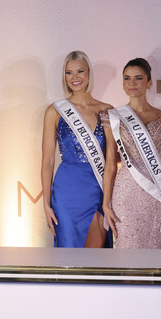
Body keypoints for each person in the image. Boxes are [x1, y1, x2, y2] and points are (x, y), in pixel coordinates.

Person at [101, 58, 161, 249]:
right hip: (126, 193)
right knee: (128, 251)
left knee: (158, 252)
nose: (132, 83)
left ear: (149, 83)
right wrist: (106, 203)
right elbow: (111, 164)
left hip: (158, 193)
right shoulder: (113, 117)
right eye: (127, 78)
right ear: (122, 83)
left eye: (138, 78)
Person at [41, 51, 113, 248]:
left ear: (89, 73)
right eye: (69, 73)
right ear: (64, 77)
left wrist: (108, 199)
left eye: (80, 71)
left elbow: (112, 161)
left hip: (98, 190)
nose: (75, 78)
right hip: (66, 193)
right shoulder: (54, 111)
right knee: (69, 255)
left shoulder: (107, 109)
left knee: (96, 258)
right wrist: (46, 204)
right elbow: (47, 161)